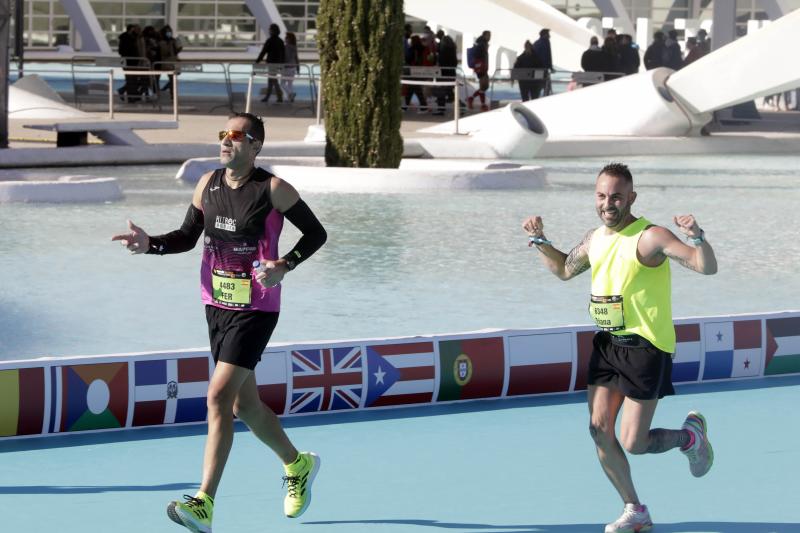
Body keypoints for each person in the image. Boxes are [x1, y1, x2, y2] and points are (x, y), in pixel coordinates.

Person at [112, 112, 327, 533]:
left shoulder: (274, 190)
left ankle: (204, 502)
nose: (226, 141)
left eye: (236, 135)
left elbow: (316, 234)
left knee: (216, 398)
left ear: (255, 146)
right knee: (242, 405)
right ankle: (297, 464)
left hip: (256, 308)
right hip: (216, 304)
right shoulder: (206, 184)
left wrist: (285, 264)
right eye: (222, 134)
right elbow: (186, 237)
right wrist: (149, 244)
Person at [522, 162, 716, 533]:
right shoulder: (595, 238)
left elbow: (705, 267)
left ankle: (689, 437)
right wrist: (541, 241)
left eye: (615, 196)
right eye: (601, 196)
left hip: (646, 349)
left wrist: (697, 236)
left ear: (631, 198)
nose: (607, 203)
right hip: (608, 345)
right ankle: (634, 509)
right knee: (598, 429)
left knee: (634, 442)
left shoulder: (651, 237)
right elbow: (564, 270)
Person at [256, 23, 286, 103]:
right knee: (272, 80)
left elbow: (263, 52)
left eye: (270, 29)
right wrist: (282, 64)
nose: (269, 31)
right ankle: (274, 96)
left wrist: (257, 61)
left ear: (272, 31)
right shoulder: (280, 41)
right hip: (278, 63)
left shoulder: (270, 41)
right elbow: (283, 54)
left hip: (271, 63)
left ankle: (274, 96)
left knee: (272, 80)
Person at [467, 30, 491, 112]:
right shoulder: (482, 44)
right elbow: (479, 55)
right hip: (481, 67)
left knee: (484, 86)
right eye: (488, 35)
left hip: (482, 67)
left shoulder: (481, 42)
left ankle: (472, 99)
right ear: (484, 35)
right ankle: (481, 104)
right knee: (484, 86)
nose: (490, 37)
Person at [158, 25, 182, 97]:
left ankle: (171, 92)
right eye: (167, 32)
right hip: (166, 62)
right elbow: (165, 52)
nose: (169, 33)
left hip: (173, 61)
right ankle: (170, 92)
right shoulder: (162, 42)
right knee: (171, 78)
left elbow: (175, 51)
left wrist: (178, 49)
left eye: (170, 31)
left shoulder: (173, 40)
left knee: (173, 78)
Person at [280, 32, 299, 103]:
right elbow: (296, 58)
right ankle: (290, 99)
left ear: (289, 39)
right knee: (290, 84)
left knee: (282, 83)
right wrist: (298, 67)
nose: (285, 39)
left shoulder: (286, 47)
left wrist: (281, 65)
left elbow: (286, 57)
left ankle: (290, 94)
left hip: (287, 67)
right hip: (293, 67)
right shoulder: (294, 47)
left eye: (286, 37)